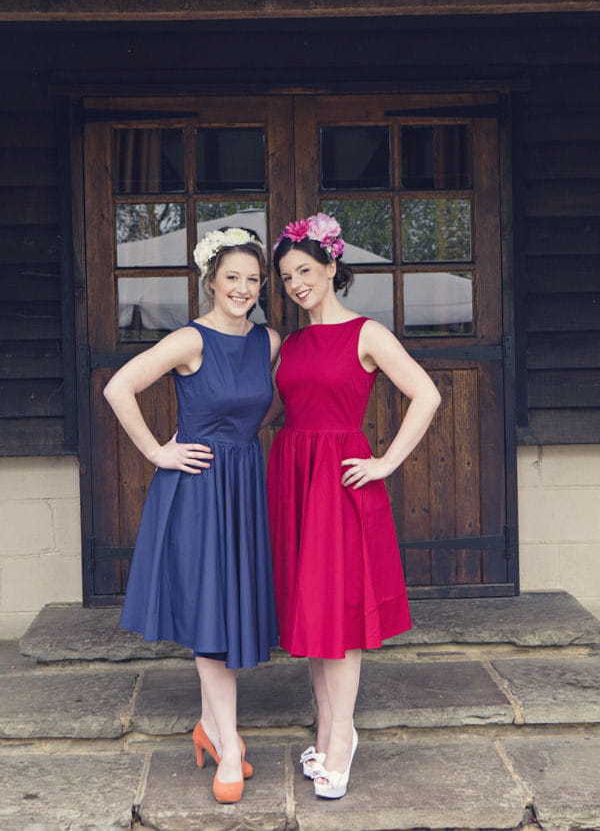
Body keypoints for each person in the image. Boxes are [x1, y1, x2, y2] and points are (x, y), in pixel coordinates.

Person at [266, 213, 441, 800]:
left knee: (338, 617)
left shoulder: (367, 333)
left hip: (340, 480)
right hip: (293, 475)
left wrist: (387, 462)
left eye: (305, 270)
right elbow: (273, 411)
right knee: (311, 614)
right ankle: (328, 728)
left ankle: (341, 739)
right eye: (287, 275)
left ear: (332, 266)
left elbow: (426, 393)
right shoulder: (289, 342)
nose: (295, 283)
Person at [103, 227, 280, 804]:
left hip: (244, 483)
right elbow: (118, 387)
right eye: (232, 277)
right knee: (211, 616)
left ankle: (210, 726)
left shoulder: (268, 342)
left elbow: (268, 406)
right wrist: (158, 451)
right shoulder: (189, 339)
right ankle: (230, 745)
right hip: (199, 488)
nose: (243, 288)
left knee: (228, 609)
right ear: (210, 280)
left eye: (253, 279)